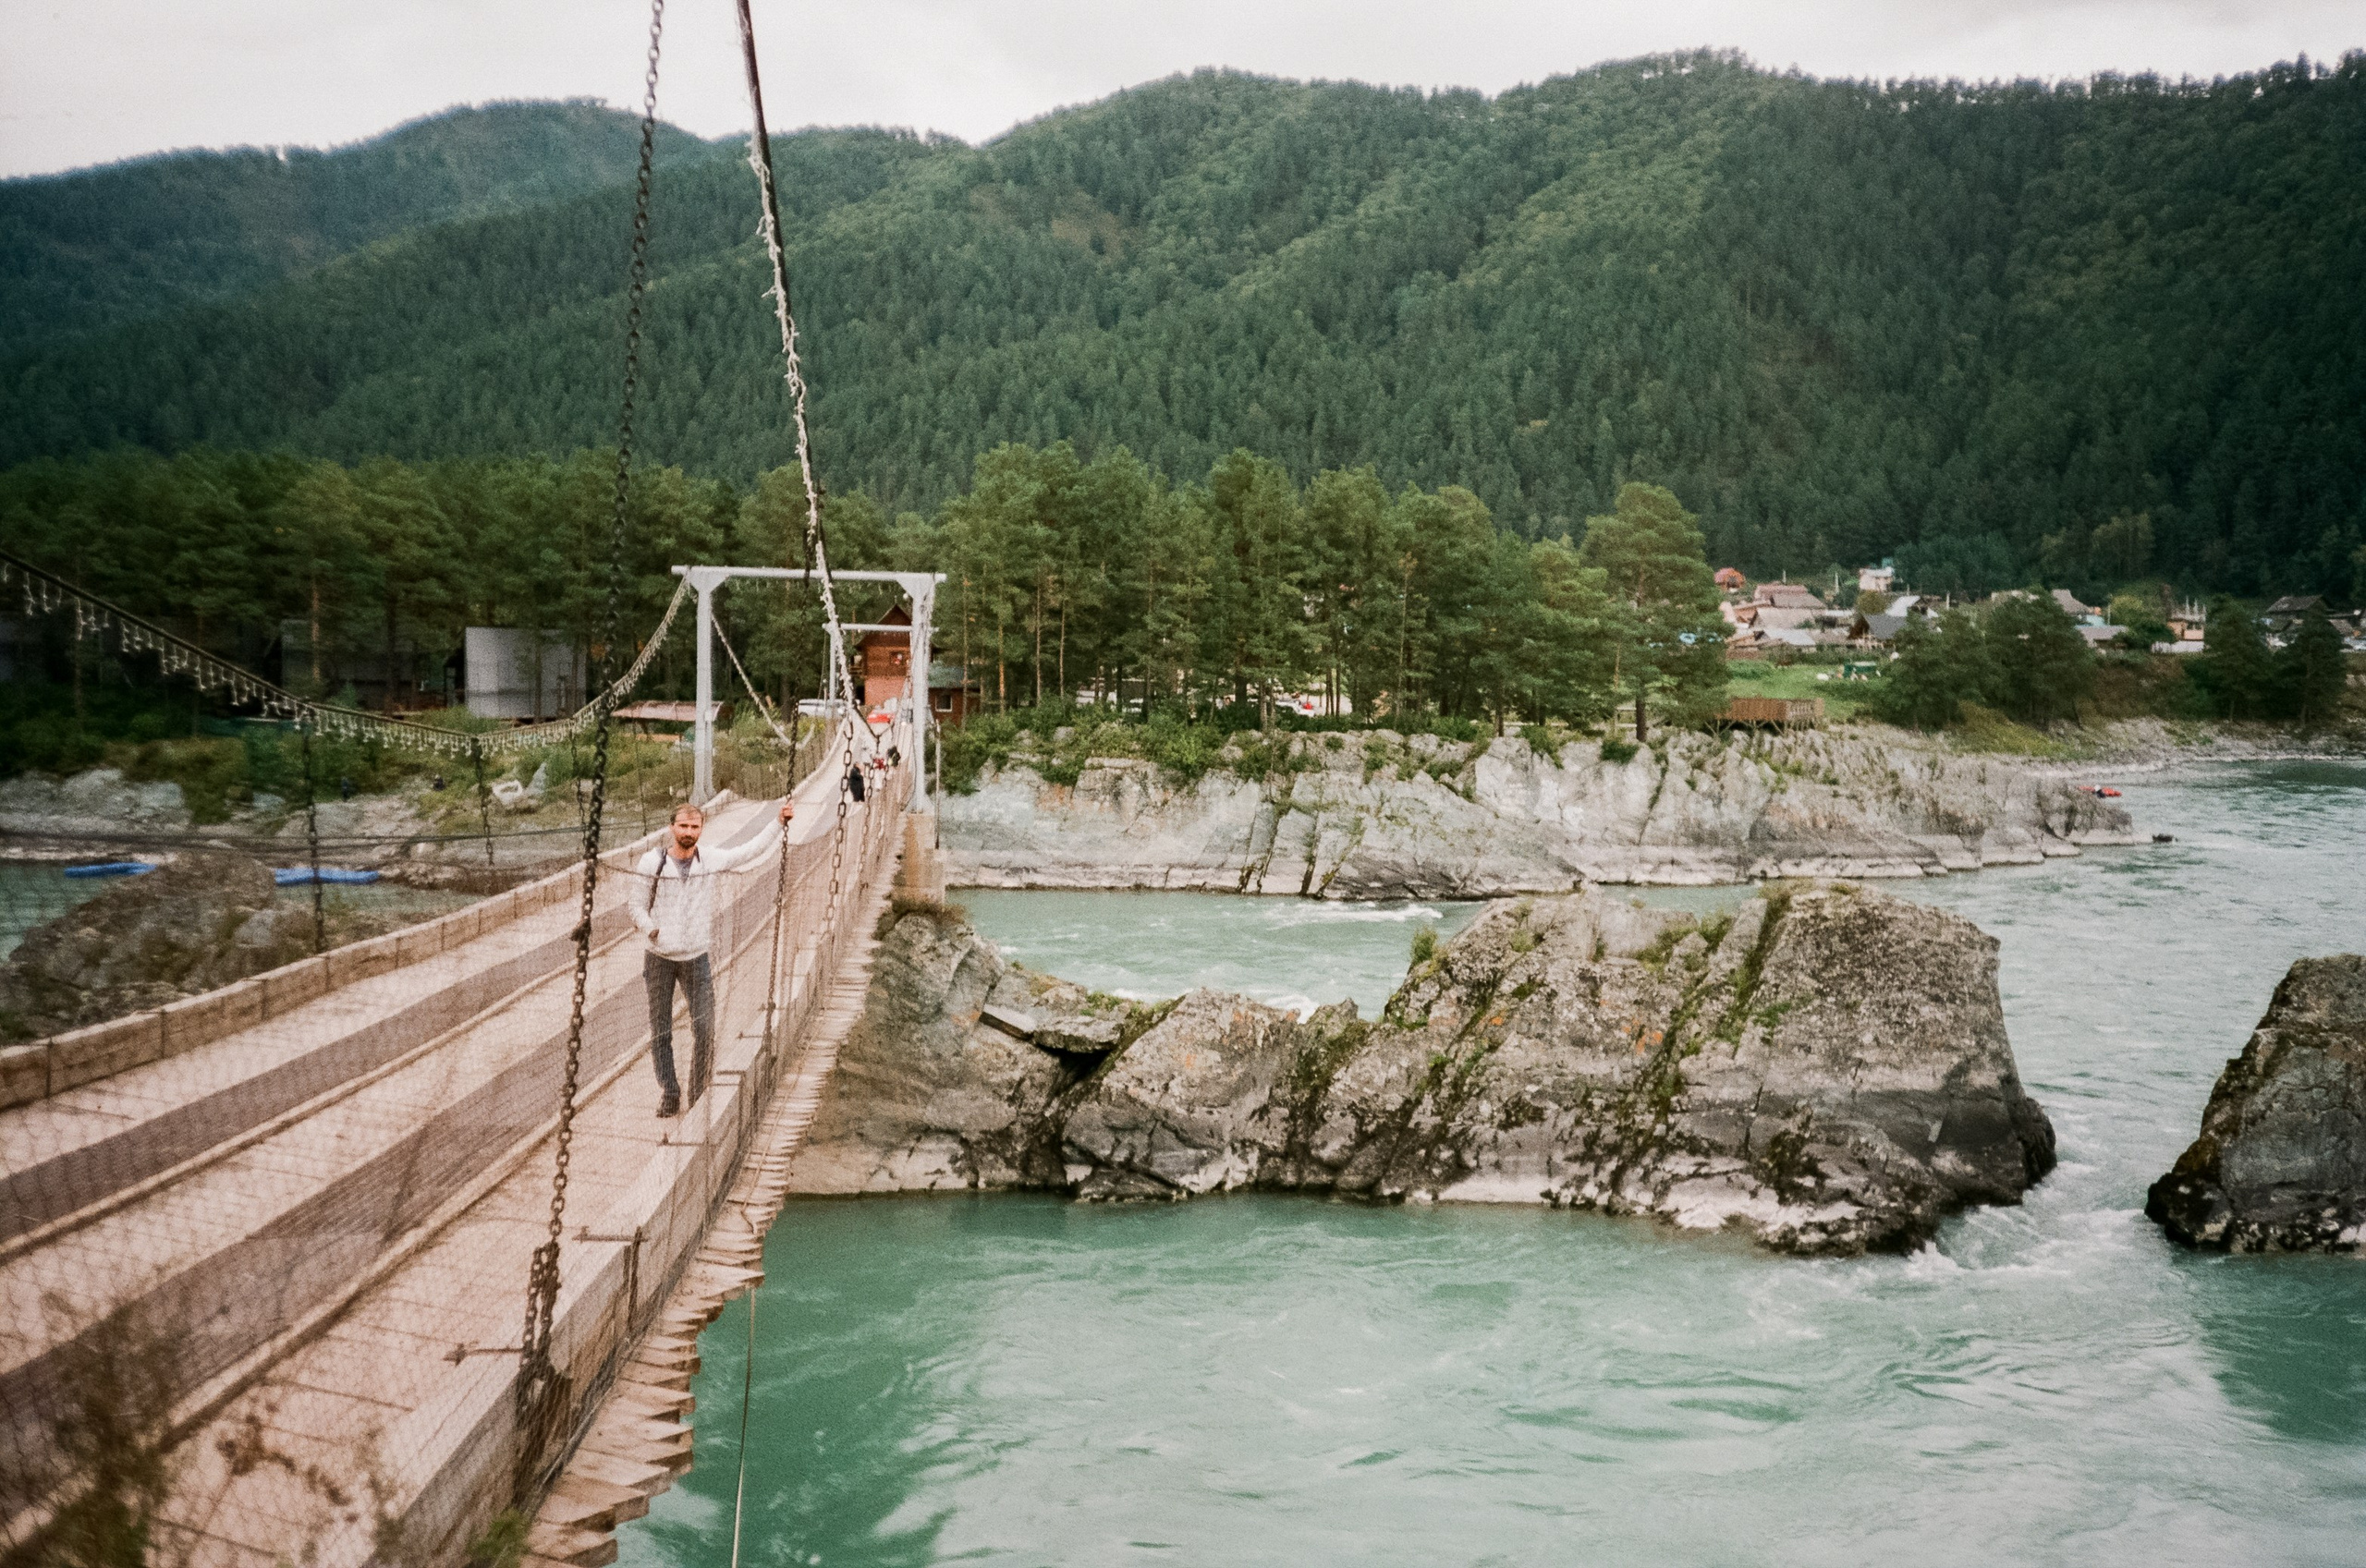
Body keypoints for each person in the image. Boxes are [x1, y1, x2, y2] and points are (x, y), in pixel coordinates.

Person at [630, 796, 794, 1116]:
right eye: (683, 826)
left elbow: (749, 851)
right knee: (660, 1030)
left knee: (705, 1028)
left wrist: (778, 823)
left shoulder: (711, 860)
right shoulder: (652, 863)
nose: (688, 832)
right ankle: (670, 1092)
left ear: (702, 829)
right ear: (671, 827)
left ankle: (698, 1093)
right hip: (659, 957)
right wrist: (652, 930)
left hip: (696, 957)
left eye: (694, 826)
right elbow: (635, 905)